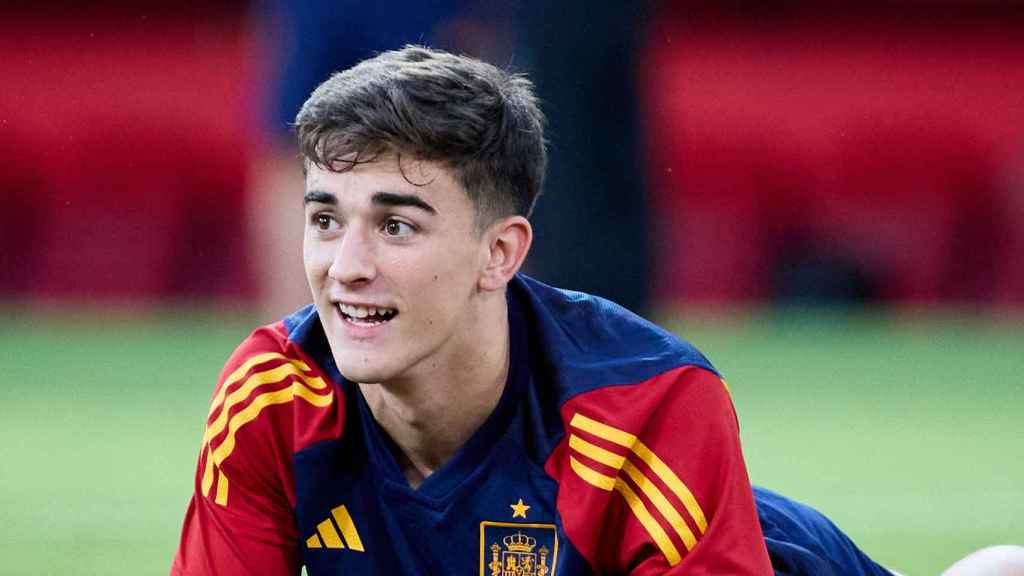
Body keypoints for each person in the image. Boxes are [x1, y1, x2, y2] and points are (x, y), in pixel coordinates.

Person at [171, 46, 1022, 575]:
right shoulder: (274, 397)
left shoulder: (646, 405)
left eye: (396, 225)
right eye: (326, 219)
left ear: (499, 253)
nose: (345, 269)